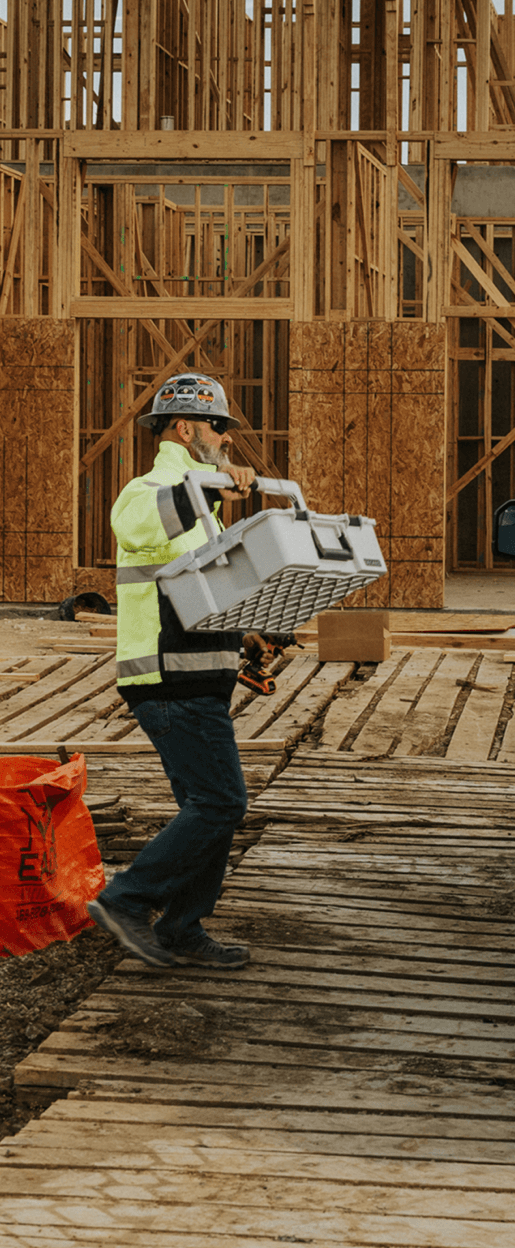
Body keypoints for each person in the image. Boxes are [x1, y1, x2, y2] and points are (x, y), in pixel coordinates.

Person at [86, 373, 259, 971]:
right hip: (166, 679)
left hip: (195, 676)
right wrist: (207, 485)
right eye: (219, 427)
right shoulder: (153, 488)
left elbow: (201, 587)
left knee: (207, 809)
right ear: (185, 428)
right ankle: (127, 900)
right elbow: (133, 528)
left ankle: (183, 928)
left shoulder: (198, 500)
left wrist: (249, 628)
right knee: (220, 803)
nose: (228, 441)